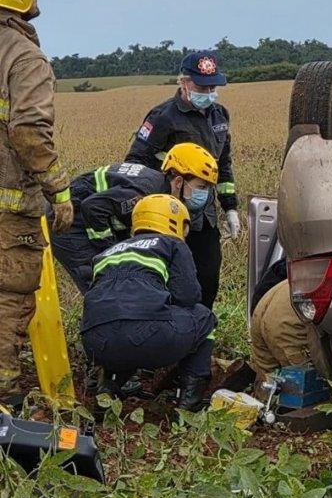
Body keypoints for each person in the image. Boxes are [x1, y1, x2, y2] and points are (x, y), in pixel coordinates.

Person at [0, 0, 73, 407]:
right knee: (7, 305)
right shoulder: (24, 58)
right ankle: (3, 410)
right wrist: (59, 190)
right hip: (8, 217)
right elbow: (28, 131)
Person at [125, 50, 240, 308]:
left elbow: (223, 165)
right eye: (201, 87)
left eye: (212, 87)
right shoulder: (163, 117)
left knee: (208, 280)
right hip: (170, 215)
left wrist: (230, 208)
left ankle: (202, 326)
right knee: (175, 282)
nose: (208, 92)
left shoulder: (220, 116)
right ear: (184, 82)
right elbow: (135, 161)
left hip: (206, 216)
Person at [81, 194, 215, 412]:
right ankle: (188, 403)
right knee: (205, 317)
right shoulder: (171, 244)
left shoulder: (105, 253)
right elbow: (188, 296)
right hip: (147, 336)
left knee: (120, 328)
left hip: (95, 342)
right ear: (174, 222)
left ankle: (106, 392)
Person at [50, 142, 218, 294]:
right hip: (69, 219)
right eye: (201, 187)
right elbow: (92, 207)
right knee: (102, 282)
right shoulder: (144, 193)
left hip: (90, 212)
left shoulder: (160, 189)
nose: (204, 194)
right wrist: (109, 250)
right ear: (179, 182)